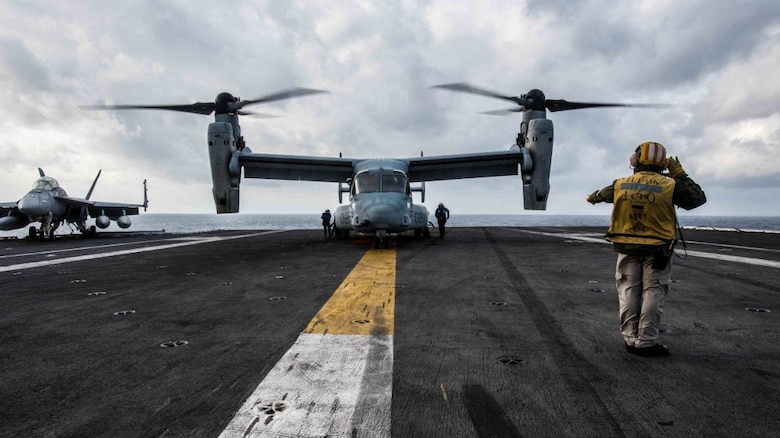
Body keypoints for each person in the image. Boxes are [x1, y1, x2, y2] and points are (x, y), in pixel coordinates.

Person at [587, 142, 706, 357]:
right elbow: (697, 199)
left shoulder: (621, 184)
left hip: (627, 245)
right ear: (663, 163)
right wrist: (681, 175)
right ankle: (647, 341)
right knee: (653, 291)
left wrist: (593, 197)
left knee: (628, 290)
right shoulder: (671, 185)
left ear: (635, 160)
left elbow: (598, 195)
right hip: (658, 248)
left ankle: (630, 338)